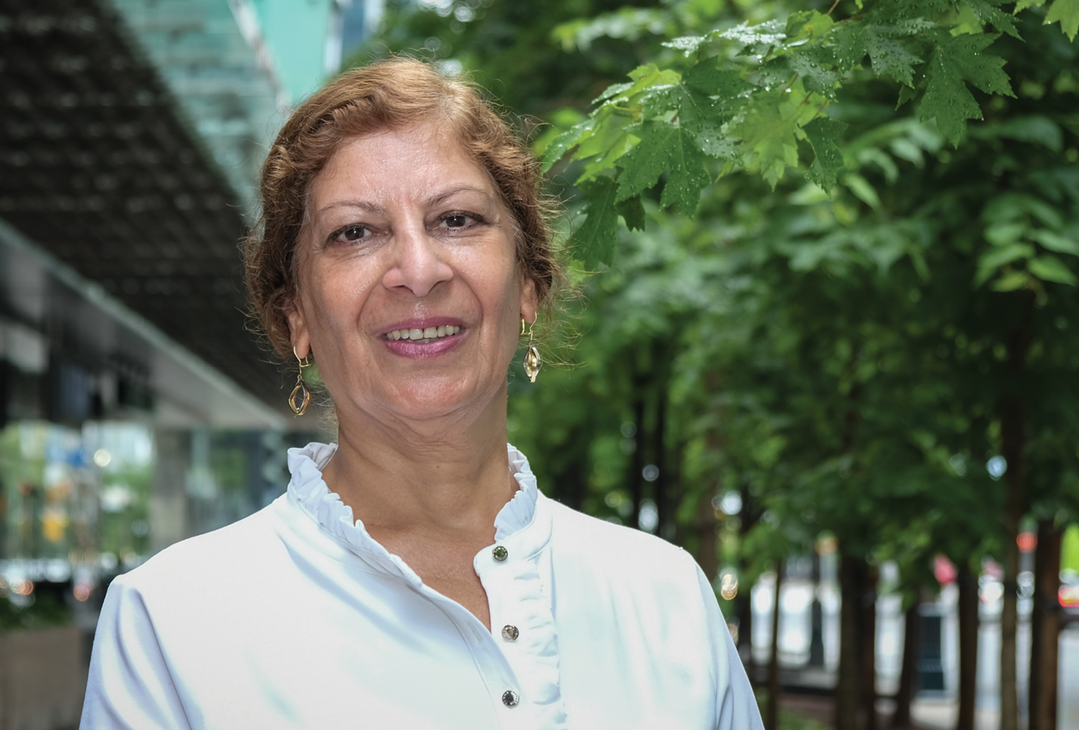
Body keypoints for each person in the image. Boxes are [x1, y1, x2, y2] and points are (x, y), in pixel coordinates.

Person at [80, 57, 762, 730]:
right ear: (297, 317)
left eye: (457, 220)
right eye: (355, 232)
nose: (417, 268)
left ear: (527, 283)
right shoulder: (172, 623)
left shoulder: (668, 600)